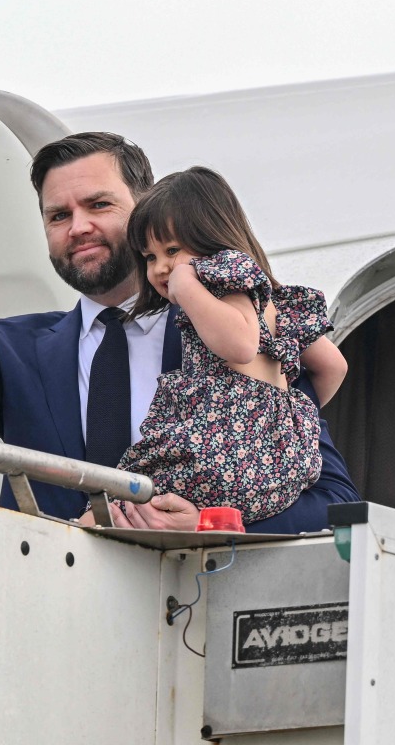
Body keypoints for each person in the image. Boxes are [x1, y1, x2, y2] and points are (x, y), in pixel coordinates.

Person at [0, 100, 360, 532]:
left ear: (146, 210)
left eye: (98, 204)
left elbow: (332, 503)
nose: (78, 227)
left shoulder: (231, 331)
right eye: (58, 215)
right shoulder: (13, 352)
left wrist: (211, 523)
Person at [91, 166, 347, 525]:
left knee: (114, 502)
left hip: (219, 450)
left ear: (211, 235)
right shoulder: (278, 304)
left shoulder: (219, 274)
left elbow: (241, 345)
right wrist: (287, 410)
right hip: (279, 462)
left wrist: (187, 286)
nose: (162, 267)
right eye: (150, 257)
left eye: (172, 249)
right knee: (138, 517)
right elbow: (333, 366)